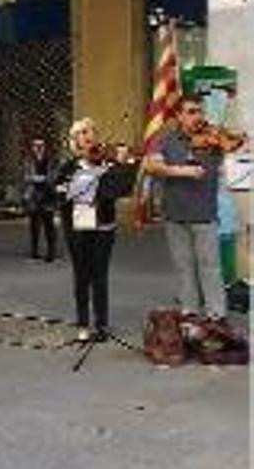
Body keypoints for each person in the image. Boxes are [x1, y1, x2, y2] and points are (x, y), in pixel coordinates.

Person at [143, 94, 231, 319]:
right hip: (175, 214)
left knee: (210, 267)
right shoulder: (167, 139)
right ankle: (190, 313)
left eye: (199, 111)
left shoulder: (212, 139)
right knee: (184, 267)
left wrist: (226, 140)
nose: (197, 116)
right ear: (179, 116)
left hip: (204, 214)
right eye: (191, 112)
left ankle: (216, 316)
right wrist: (182, 170)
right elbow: (152, 165)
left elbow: (235, 145)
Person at [55, 118, 137, 341]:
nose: (89, 136)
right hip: (78, 229)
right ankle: (83, 322)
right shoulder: (68, 168)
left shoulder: (106, 165)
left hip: (103, 228)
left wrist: (124, 164)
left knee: (100, 276)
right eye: (82, 132)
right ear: (75, 140)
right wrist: (69, 189)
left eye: (92, 131)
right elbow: (58, 195)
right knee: (81, 275)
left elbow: (120, 189)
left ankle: (101, 324)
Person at [22, 138, 57, 262]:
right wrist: (34, 178)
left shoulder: (51, 160)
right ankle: (34, 251)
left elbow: (54, 176)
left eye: (41, 145)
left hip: (48, 194)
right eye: (35, 145)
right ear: (32, 147)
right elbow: (25, 176)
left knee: (49, 225)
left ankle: (51, 252)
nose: (38, 148)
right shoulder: (28, 160)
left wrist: (45, 179)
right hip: (33, 195)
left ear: (45, 147)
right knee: (34, 225)